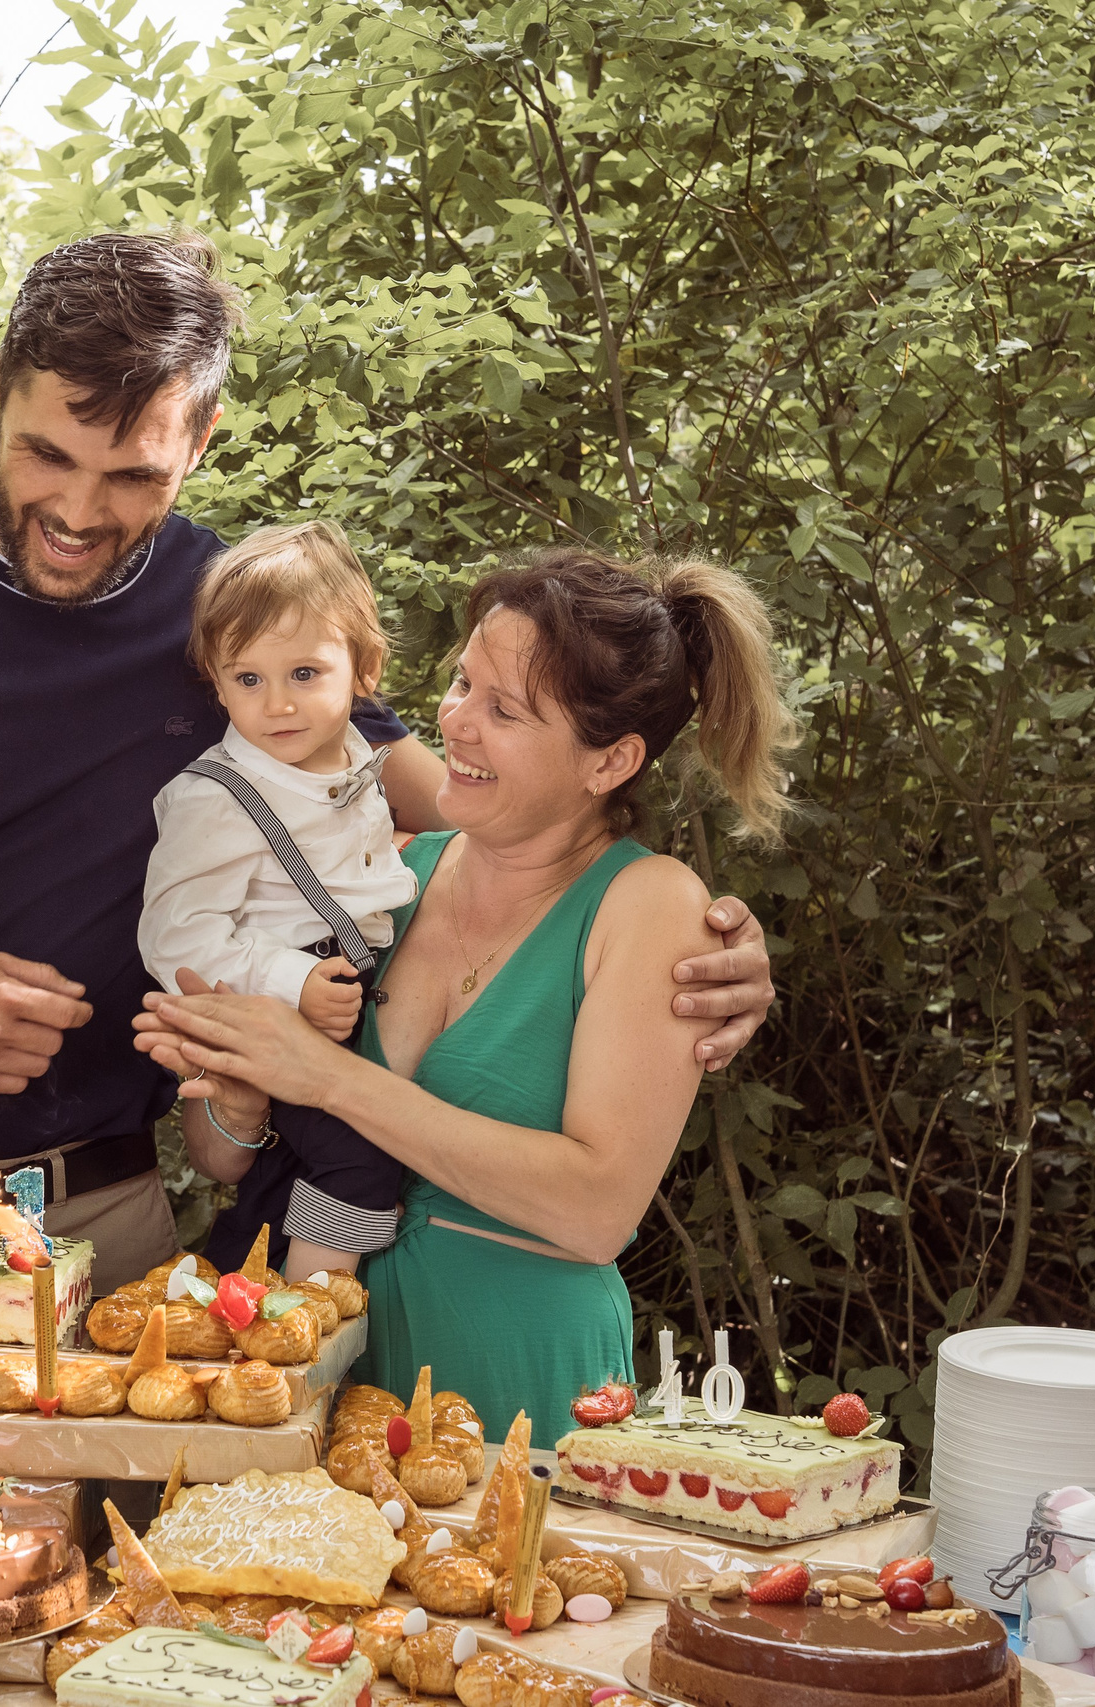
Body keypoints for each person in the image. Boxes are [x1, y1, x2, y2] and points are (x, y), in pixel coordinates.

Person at [0, 231, 779, 1334]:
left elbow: (489, 803)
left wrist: (687, 951)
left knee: (105, 1555)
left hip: (104, 1226)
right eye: (46, 455)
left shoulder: (235, 613)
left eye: (131, 475)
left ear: (204, 437)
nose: (77, 514)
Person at [134, 547, 796, 1438]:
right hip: (323, 1377)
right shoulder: (392, 877)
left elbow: (597, 1208)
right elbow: (220, 1161)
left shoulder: (650, 905)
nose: (456, 722)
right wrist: (246, 1097)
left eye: (504, 709)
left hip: (512, 1375)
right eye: (460, 683)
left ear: (611, 761)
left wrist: (327, 1078)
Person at [137, 521, 415, 1280]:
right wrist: (292, 981)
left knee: (289, 1175)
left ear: (363, 667)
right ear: (216, 679)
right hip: (281, 1010)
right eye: (247, 679)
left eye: (304, 673)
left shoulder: (358, 756)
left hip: (359, 990)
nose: (277, 705)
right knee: (360, 1160)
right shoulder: (219, 795)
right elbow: (175, 935)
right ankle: (310, 1317)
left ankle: (238, 1281)